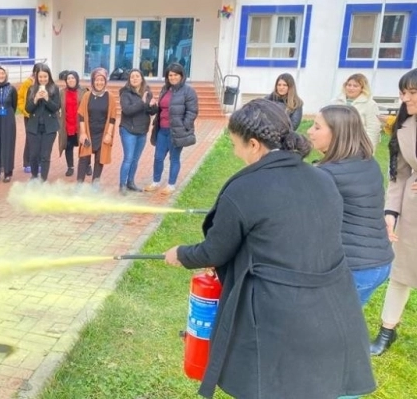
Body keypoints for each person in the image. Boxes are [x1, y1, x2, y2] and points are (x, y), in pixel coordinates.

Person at [164, 99, 376, 399]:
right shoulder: (321, 179)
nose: (236, 153)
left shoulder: (244, 189)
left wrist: (181, 254)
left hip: (280, 322)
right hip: (335, 312)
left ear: (254, 145)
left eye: (236, 145)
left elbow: (214, 251)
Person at [308, 105, 394, 305]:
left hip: (356, 268)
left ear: (337, 134)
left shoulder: (328, 174)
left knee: (326, 329)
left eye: (317, 127)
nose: (310, 131)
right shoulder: (367, 161)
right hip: (378, 261)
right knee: (344, 326)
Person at [370, 68, 417, 356]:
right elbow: (398, 175)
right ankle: (387, 330)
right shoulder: (403, 126)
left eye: (412, 92)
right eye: (403, 92)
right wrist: (391, 213)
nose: (405, 98)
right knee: (401, 273)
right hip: (412, 211)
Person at [145, 63, 198, 195]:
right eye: (170, 75)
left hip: (176, 131)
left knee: (174, 158)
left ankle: (171, 185)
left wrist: (184, 125)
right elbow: (161, 108)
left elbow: (192, 111)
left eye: (175, 75)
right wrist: (153, 106)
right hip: (162, 130)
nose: (172, 77)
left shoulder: (188, 91)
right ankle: (155, 182)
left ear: (181, 76)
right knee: (158, 157)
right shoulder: (165, 89)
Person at [118, 68, 157, 194]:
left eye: (137, 76)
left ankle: (131, 182)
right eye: (132, 77)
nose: (134, 78)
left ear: (142, 79)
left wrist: (153, 106)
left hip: (142, 131)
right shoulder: (125, 93)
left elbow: (150, 112)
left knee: (135, 159)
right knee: (128, 158)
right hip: (128, 129)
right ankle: (122, 184)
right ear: (129, 80)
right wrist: (142, 102)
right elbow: (127, 110)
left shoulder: (147, 92)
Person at [77, 67, 117, 188]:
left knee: (99, 160)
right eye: (97, 80)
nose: (99, 83)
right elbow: (81, 116)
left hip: (102, 133)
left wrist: (109, 135)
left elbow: (112, 118)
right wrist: (83, 134)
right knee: (83, 158)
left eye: (102, 80)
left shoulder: (110, 96)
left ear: (105, 82)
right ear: (93, 81)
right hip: (88, 132)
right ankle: (79, 185)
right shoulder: (87, 95)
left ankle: (95, 184)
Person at [25, 63, 60, 182]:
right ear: (36, 77)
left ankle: (43, 179)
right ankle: (34, 176)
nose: (43, 79)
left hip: (49, 128)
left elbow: (56, 108)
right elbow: (28, 109)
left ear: (49, 76)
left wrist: (47, 99)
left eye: (45, 76)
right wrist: (35, 99)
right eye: (40, 77)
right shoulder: (31, 89)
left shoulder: (54, 88)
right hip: (33, 127)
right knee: (34, 155)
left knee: (45, 155)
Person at [331, 73, 382, 149]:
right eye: (349, 85)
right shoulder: (336, 102)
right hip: (338, 143)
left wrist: (368, 149)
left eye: (355, 86)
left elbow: (373, 129)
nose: (351, 88)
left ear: (362, 88)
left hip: (358, 145)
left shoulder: (370, 104)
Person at [57, 70, 86, 177]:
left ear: (77, 79)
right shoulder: (62, 92)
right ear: (66, 81)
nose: (71, 80)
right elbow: (56, 107)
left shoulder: (84, 91)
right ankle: (70, 167)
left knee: (84, 145)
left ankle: (87, 165)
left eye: (73, 78)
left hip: (80, 124)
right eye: (68, 78)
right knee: (68, 146)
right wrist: (59, 120)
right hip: (67, 124)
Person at [17, 63, 41, 173]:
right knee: (30, 138)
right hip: (29, 115)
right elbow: (20, 97)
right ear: (34, 72)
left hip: (41, 116)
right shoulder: (27, 83)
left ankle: (39, 163)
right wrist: (25, 111)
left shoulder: (44, 82)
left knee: (40, 139)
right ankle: (27, 163)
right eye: (38, 72)